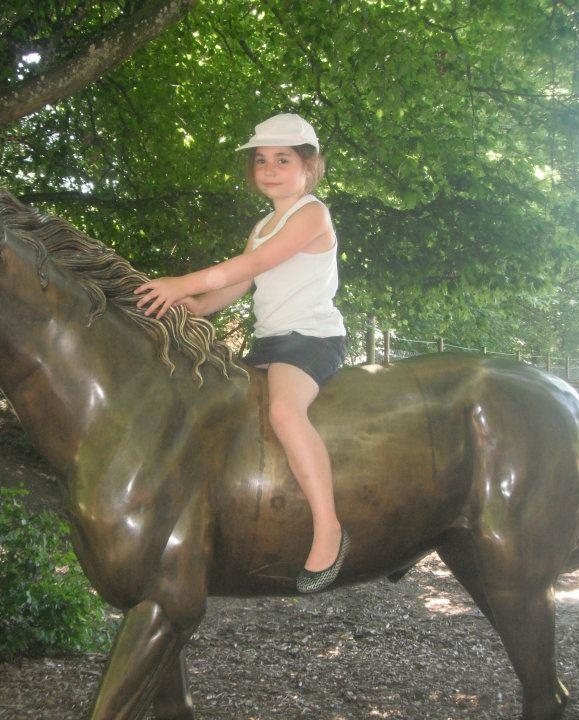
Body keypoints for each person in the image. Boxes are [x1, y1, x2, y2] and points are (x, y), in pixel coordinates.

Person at [134, 113, 349, 594]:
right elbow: (240, 284)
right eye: (261, 160)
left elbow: (254, 263)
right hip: (270, 340)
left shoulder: (312, 214)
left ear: (310, 167)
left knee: (285, 412)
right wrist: (191, 306)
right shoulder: (263, 225)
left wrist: (180, 283)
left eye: (283, 160)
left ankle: (330, 528)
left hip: (310, 337)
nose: (269, 169)